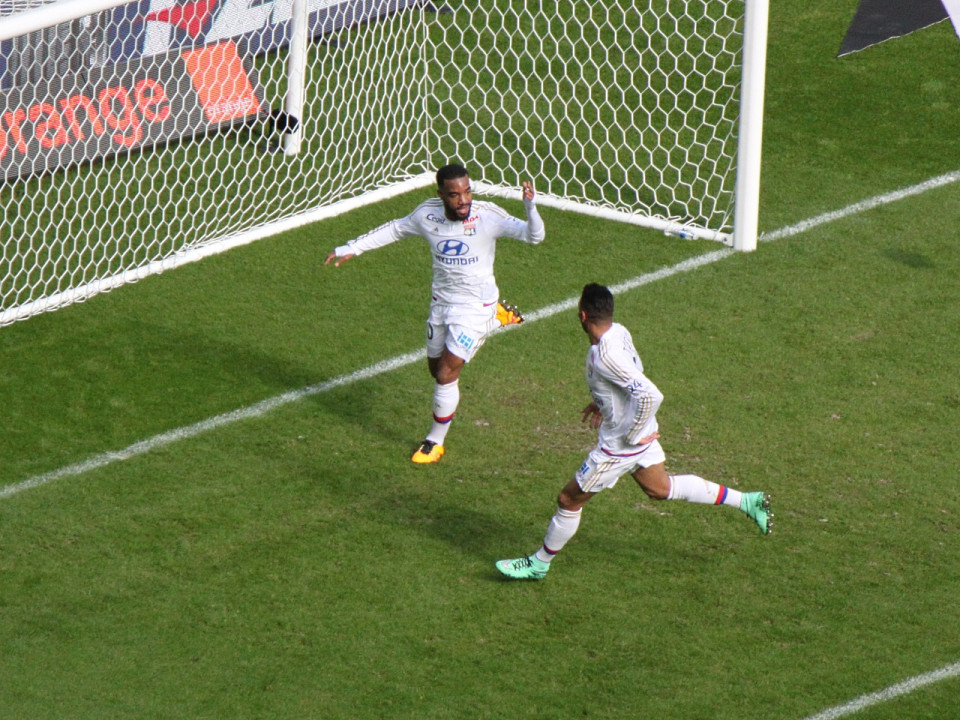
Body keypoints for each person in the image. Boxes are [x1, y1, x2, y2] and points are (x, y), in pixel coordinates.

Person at [496, 282, 772, 580]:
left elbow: (651, 394)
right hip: (638, 434)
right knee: (660, 488)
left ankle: (539, 563)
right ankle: (747, 500)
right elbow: (632, 374)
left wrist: (633, 433)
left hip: (621, 446)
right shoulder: (620, 332)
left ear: (583, 315)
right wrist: (604, 401)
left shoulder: (605, 356)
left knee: (568, 500)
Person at [325, 163, 544, 463]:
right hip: (441, 304)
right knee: (435, 369)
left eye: (467, 191)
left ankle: (434, 441)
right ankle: (498, 318)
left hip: (475, 307)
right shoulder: (426, 216)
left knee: (445, 374)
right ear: (441, 194)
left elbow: (534, 237)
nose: (463, 200)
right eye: (455, 195)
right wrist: (353, 247)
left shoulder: (487, 216)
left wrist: (530, 207)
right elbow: (395, 229)